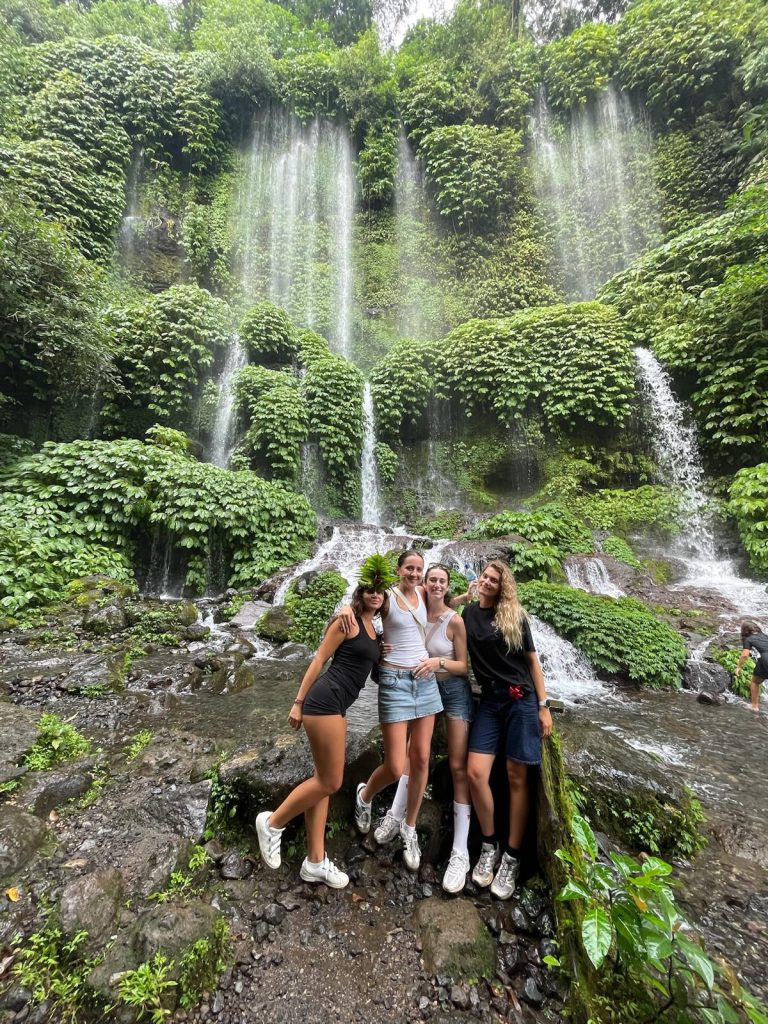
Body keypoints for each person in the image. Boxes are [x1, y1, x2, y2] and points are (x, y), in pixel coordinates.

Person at [255, 566, 389, 889]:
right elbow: (318, 660)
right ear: (360, 593)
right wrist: (298, 702)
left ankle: (314, 861)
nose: (374, 593)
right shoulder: (347, 620)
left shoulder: (375, 631)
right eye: (368, 589)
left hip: (339, 706)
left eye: (380, 590)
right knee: (331, 780)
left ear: (384, 598)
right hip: (323, 701)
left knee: (323, 781)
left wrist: (383, 657)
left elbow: (372, 675)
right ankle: (272, 823)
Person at [373, 563, 474, 894]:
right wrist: (379, 647)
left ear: (446, 585)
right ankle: (396, 816)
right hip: (417, 687)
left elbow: (463, 665)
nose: (434, 584)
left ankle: (459, 851)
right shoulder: (411, 604)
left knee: (455, 765)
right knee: (415, 756)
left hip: (451, 691)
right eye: (431, 579)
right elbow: (381, 614)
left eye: (440, 581)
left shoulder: (453, 619)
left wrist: (437, 662)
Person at [457, 559, 552, 900]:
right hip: (490, 701)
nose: (486, 582)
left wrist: (544, 706)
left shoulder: (514, 616)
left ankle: (511, 857)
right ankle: (488, 845)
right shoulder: (468, 614)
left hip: (520, 700)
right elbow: (439, 618)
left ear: (502, 587)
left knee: (516, 775)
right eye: (484, 576)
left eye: (494, 580)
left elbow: (532, 663)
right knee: (475, 772)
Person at [348, 549, 443, 872]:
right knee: (394, 764)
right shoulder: (386, 596)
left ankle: (410, 828)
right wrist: (375, 646)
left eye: (419, 569)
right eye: (409, 569)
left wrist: (463, 597)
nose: (415, 574)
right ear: (398, 570)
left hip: (424, 680)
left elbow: (445, 606)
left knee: (420, 759)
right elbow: (362, 614)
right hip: (393, 681)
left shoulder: (423, 592)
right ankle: (365, 795)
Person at [735, 620, 768, 713]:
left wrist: (738, 667)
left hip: (765, 659)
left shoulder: (748, 639)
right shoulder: (765, 636)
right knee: (755, 680)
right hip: (763, 660)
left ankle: (755, 706)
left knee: (755, 682)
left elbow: (745, 655)